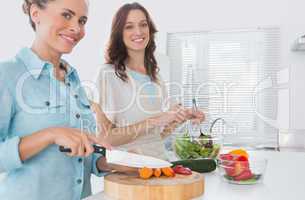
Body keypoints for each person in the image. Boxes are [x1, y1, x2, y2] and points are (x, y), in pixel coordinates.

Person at [0, 1, 134, 199]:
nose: (76, 28)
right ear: (36, 13)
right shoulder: (8, 74)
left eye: (82, 20)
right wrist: (50, 135)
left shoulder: (73, 77)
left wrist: (109, 162)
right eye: (66, 15)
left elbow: (80, 153)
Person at [95, 2, 205, 159]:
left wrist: (180, 118)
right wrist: (156, 120)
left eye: (143, 24)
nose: (138, 31)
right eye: (129, 26)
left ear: (150, 29)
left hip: (159, 165)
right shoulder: (107, 74)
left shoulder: (156, 78)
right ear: (119, 33)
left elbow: (154, 138)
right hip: (127, 171)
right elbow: (104, 139)